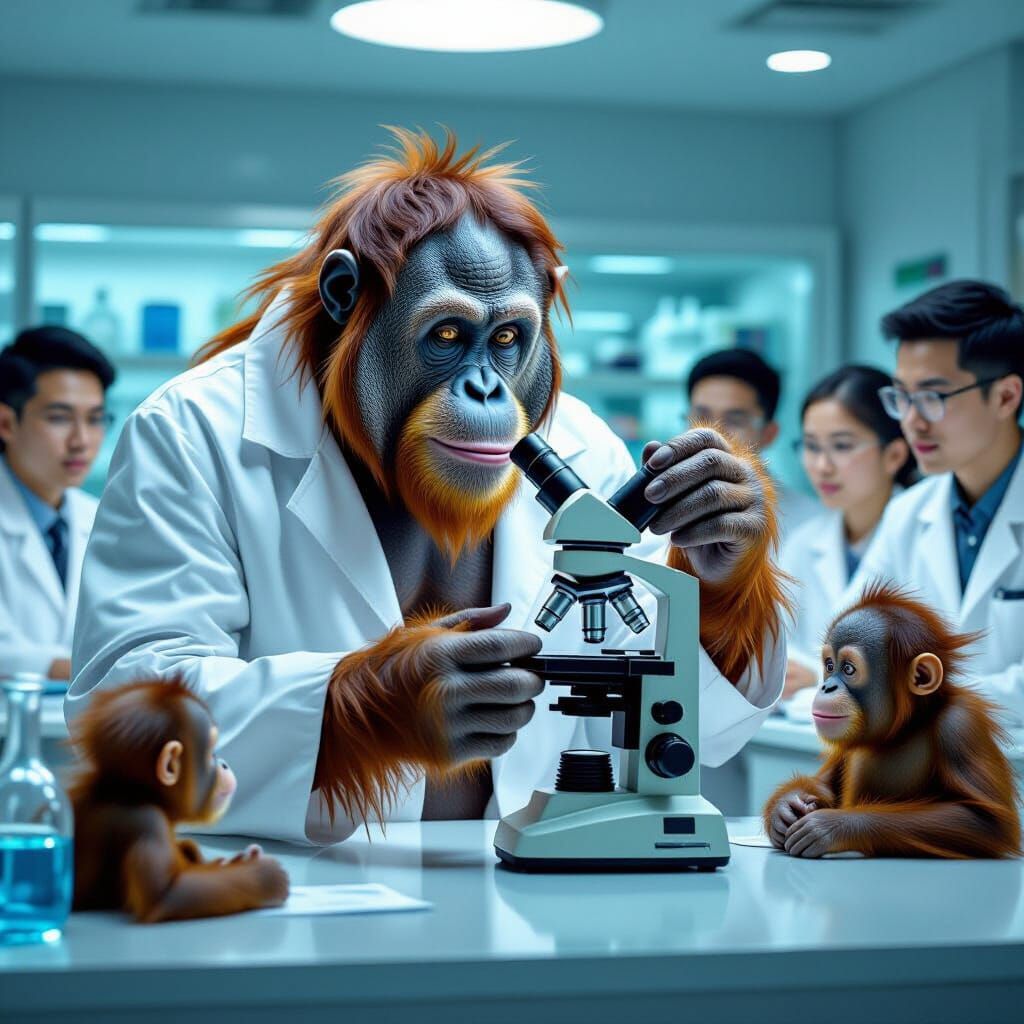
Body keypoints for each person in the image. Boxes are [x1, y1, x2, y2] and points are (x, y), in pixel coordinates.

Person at [68, 130, 789, 845]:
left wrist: (727, 584)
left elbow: (702, 726)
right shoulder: (197, 430)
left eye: (507, 340)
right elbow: (122, 715)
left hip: (522, 886)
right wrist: (363, 707)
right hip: (299, 886)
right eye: (446, 337)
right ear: (347, 297)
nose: (485, 390)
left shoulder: (576, 440)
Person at [843, 280, 1024, 724]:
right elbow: (851, 634)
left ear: (1005, 396)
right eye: (902, 397)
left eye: (933, 397)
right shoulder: (908, 512)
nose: (912, 421)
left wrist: (916, 690)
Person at [778, 365, 914, 701]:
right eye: (811, 446)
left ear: (894, 454)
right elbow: (778, 644)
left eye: (841, 446)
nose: (822, 466)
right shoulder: (803, 543)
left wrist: (818, 675)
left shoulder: (922, 538)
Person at [0, 326, 115, 679]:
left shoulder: (100, 518)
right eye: (60, 418)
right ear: (6, 423)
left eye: (95, 419)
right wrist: (98, 668)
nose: (81, 441)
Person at [686, 349, 817, 539]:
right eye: (701, 417)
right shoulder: (653, 516)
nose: (712, 433)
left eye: (734, 420)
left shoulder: (811, 524)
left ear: (768, 434)